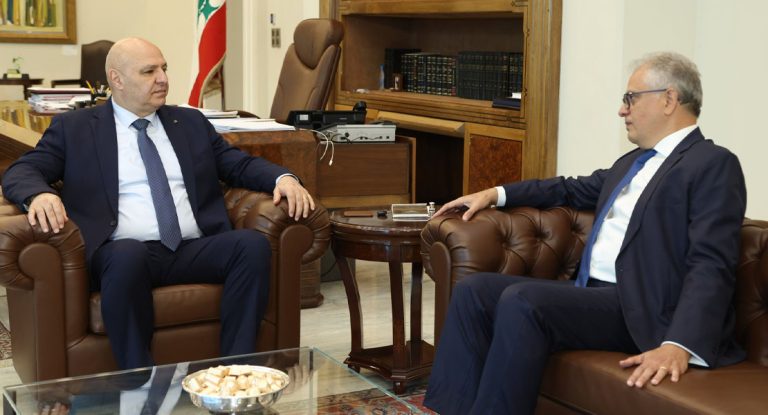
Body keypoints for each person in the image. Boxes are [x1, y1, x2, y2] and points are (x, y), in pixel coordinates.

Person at [423, 52, 747, 414]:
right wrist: (495, 194)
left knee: (523, 301)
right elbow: (568, 188)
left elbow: (711, 261)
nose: (622, 110)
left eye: (630, 98)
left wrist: (679, 344)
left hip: (643, 308)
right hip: (591, 295)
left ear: (669, 99)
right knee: (474, 291)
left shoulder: (712, 163)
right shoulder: (632, 162)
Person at [1, 37, 316, 370]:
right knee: (127, 254)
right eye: (149, 71)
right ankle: (139, 379)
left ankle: (235, 370)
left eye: (164, 68)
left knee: (251, 246)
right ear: (117, 79)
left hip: (192, 247)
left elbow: (238, 164)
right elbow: (23, 170)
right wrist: (40, 194)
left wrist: (283, 178)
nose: (163, 78)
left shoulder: (190, 123)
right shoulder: (75, 128)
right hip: (122, 252)